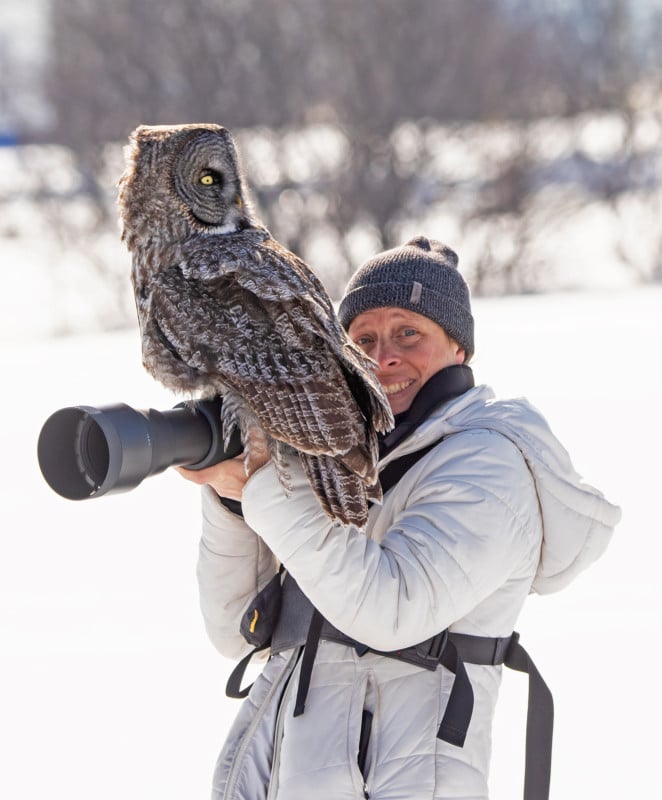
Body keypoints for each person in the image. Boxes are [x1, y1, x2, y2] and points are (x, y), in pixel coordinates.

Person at [178, 236, 621, 800]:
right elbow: (236, 632)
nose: (383, 357)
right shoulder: (339, 465)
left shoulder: (490, 463)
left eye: (408, 333)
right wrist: (234, 501)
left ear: (459, 347)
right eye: (363, 339)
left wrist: (266, 490)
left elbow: (392, 608)